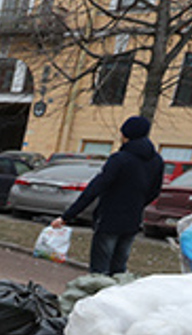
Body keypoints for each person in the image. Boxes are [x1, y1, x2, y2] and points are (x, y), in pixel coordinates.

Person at [52, 115, 164, 275]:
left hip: (110, 218)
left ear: (126, 135)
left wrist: (67, 216)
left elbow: (95, 188)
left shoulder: (120, 159)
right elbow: (155, 191)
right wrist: (137, 204)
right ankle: (116, 296)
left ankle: (98, 297)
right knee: (119, 269)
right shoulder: (157, 161)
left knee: (100, 269)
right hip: (133, 220)